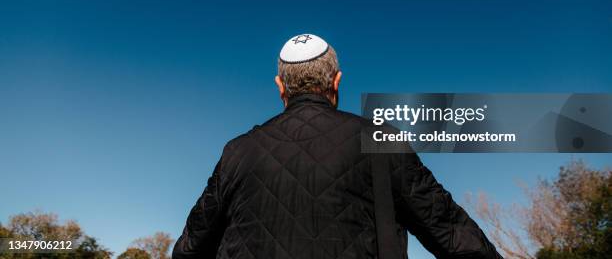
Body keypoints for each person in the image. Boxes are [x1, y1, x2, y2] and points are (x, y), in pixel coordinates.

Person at [172, 34, 503, 259]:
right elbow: (451, 232)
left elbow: (189, 248)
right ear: (336, 81)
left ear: (279, 87)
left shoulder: (237, 152)